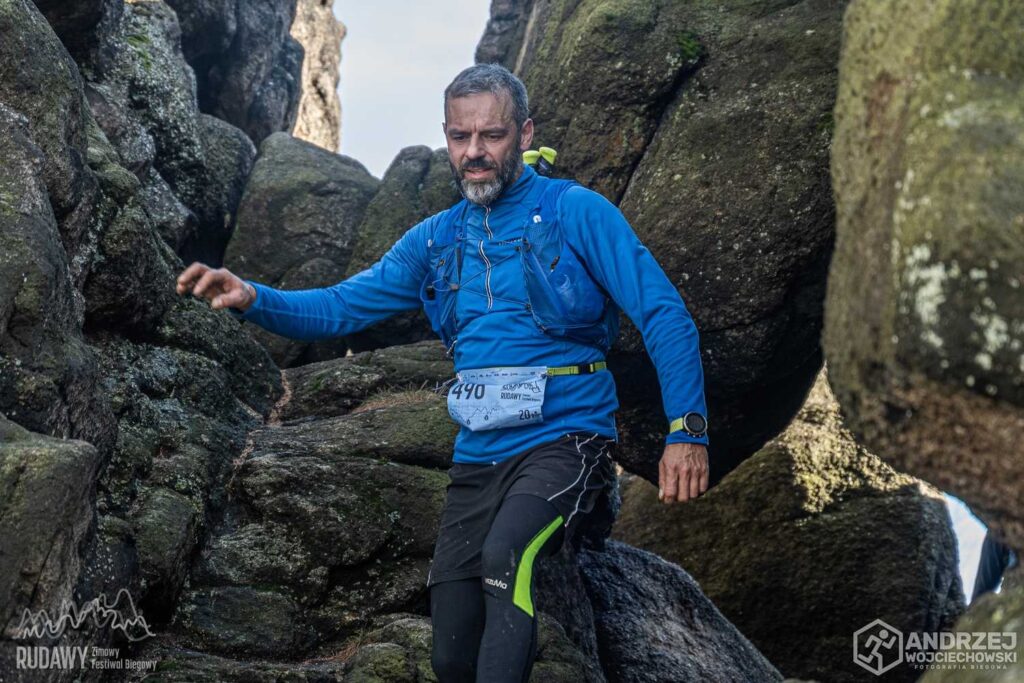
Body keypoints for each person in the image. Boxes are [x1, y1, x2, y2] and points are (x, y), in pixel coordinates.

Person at [176, 63, 710, 683]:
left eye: (492, 136)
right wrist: (254, 296)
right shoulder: (435, 240)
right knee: (452, 649)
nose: (475, 153)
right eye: (460, 138)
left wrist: (686, 431)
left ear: (524, 132)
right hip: (478, 451)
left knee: (507, 556)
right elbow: (341, 306)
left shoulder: (576, 213)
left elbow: (665, 314)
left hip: (566, 439)